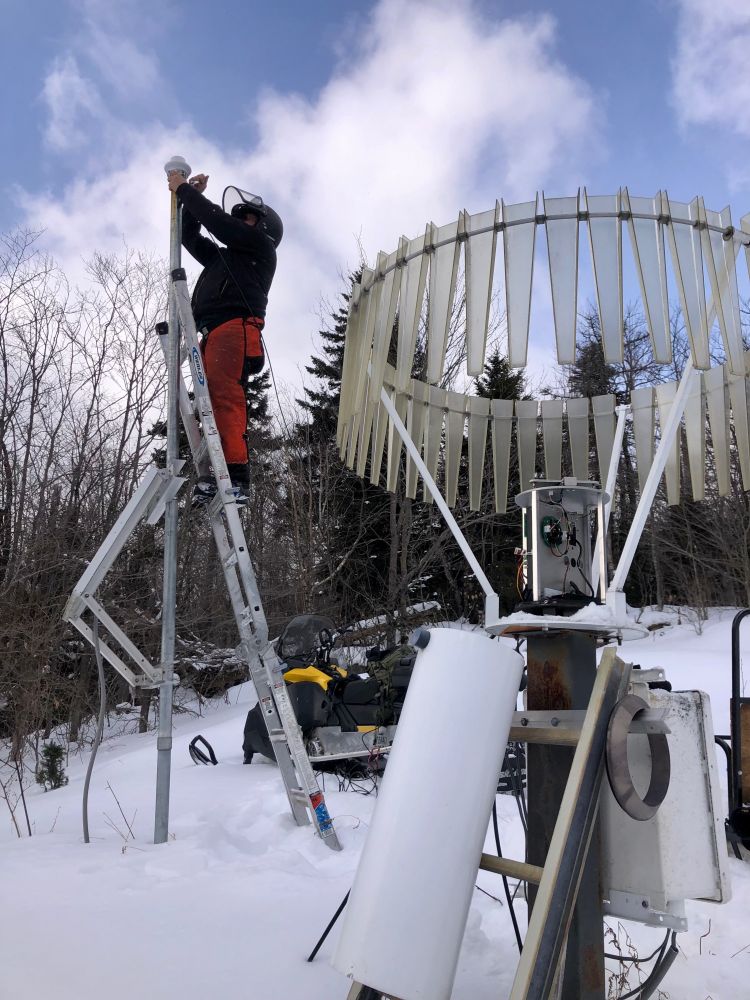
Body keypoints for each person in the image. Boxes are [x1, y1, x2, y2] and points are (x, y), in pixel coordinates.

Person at [166, 169, 282, 505]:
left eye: (246, 218)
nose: (240, 222)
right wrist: (189, 202)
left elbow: (219, 225)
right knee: (209, 402)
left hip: (236, 327)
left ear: (260, 228)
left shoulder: (261, 248)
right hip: (212, 331)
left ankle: (236, 474)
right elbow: (190, 237)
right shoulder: (225, 259)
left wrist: (186, 190)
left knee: (224, 397)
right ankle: (215, 474)